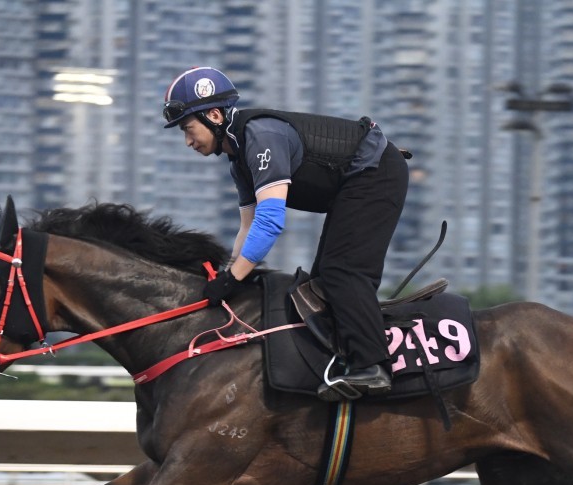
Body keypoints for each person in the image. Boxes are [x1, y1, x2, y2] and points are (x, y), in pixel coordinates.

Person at [162, 66, 409, 401]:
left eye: (189, 129)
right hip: (353, 184)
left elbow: (270, 222)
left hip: (376, 173)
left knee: (342, 272)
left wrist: (233, 279)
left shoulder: (262, 137)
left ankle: (373, 366)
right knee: (322, 280)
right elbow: (248, 227)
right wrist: (229, 274)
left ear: (215, 116)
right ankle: (344, 359)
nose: (188, 141)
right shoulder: (240, 163)